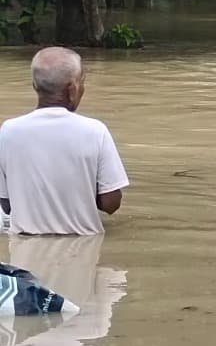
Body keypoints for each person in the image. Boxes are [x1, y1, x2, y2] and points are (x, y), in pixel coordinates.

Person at [0, 47, 129, 236]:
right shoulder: (95, 131)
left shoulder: (8, 131)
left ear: (35, 85)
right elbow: (111, 204)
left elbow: (6, 204)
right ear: (72, 88)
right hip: (83, 247)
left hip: (25, 252)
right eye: (82, 81)